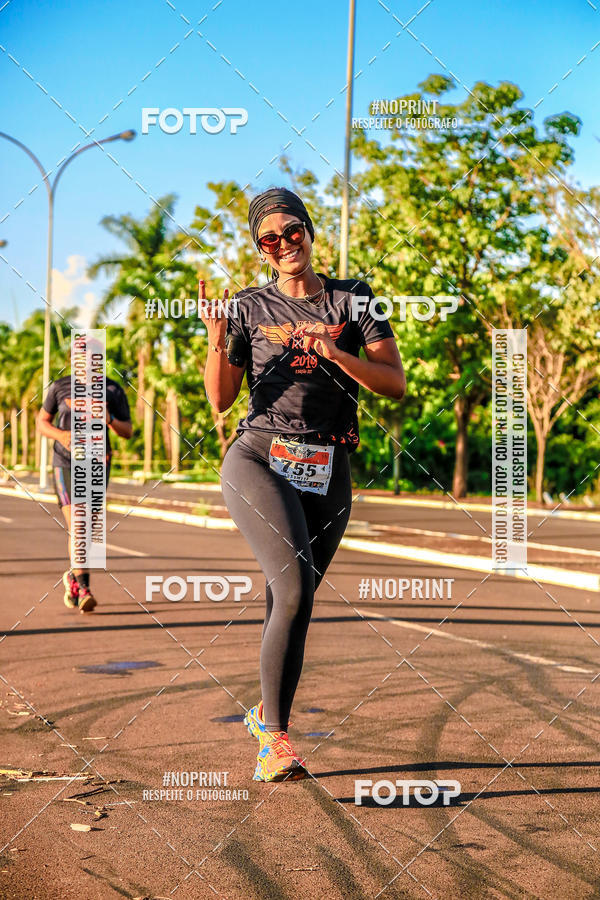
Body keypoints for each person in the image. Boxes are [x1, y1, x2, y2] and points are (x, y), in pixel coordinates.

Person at [201, 187, 405, 782]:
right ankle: (278, 741)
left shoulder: (353, 299)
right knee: (292, 590)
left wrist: (337, 355)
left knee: (291, 598)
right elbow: (219, 398)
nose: (285, 245)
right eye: (271, 238)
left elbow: (393, 383)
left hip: (328, 465)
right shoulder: (247, 307)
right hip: (259, 456)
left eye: (294, 232)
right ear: (260, 249)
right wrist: (216, 337)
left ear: (311, 235)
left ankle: (267, 710)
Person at [37, 339, 132, 612]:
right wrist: (61, 435)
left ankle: (74, 579)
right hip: (65, 461)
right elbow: (41, 422)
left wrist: (109, 419)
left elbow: (127, 431)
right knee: (78, 521)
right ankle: (84, 587)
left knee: (88, 528)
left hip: (99, 463)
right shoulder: (59, 387)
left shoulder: (112, 390)